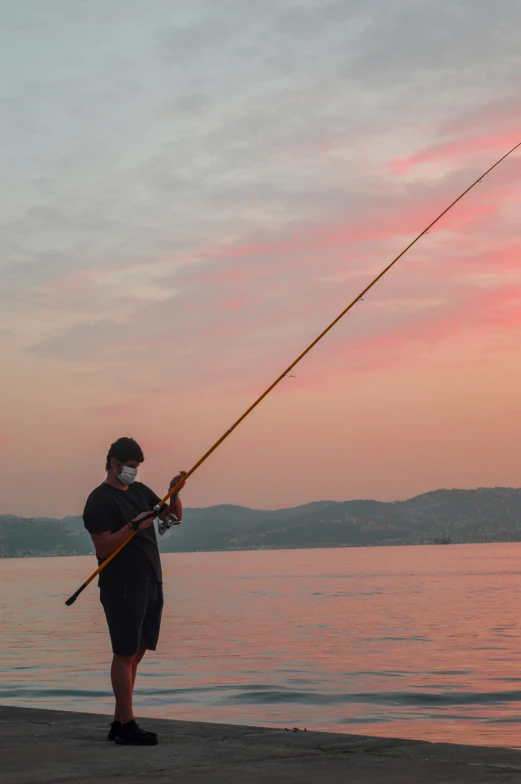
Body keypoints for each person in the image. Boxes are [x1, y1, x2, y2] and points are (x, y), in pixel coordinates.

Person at [83, 437, 186, 746]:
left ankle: (119, 721)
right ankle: (127, 724)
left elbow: (173, 517)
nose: (134, 473)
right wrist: (132, 526)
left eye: (137, 468)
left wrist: (176, 493)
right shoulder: (99, 500)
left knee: (137, 653)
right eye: (130, 467)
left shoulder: (140, 492)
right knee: (124, 653)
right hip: (122, 583)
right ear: (114, 464)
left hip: (151, 579)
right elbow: (102, 546)